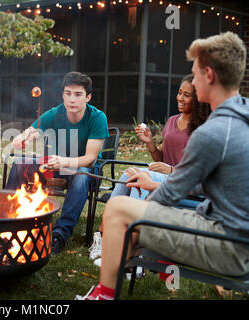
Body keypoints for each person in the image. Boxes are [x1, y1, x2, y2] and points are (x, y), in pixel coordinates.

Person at [81, 31, 249, 300]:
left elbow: (169, 196)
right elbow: (211, 180)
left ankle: (105, 292)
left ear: (210, 75)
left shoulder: (213, 131)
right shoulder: (243, 117)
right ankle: (123, 267)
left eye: (194, 75)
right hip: (238, 238)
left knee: (118, 209)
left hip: (227, 247)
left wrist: (150, 192)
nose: (192, 81)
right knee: (131, 213)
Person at [5, 71, 109, 254]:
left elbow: (90, 158)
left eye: (78, 95)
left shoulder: (97, 117)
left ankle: (59, 234)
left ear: (88, 97)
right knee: (20, 163)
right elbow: (33, 130)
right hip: (57, 166)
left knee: (81, 175)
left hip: (87, 171)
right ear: (63, 95)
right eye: (68, 93)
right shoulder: (56, 113)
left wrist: (64, 162)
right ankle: (7, 219)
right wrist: (22, 139)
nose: (72, 100)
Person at [109, 74, 211, 205]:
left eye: (187, 95)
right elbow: (162, 161)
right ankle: (109, 223)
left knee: (139, 178)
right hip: (164, 177)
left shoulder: (204, 128)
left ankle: (131, 221)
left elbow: (201, 173)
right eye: (179, 93)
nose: (180, 98)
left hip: (185, 187)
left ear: (197, 99)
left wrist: (171, 170)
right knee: (130, 174)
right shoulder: (172, 120)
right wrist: (150, 142)